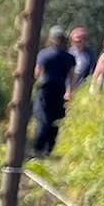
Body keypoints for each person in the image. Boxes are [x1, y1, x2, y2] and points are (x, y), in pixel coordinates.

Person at [32, 26, 76, 157]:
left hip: (45, 89)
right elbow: (71, 76)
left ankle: (38, 148)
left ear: (51, 38)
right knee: (56, 119)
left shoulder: (44, 54)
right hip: (60, 90)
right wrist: (69, 90)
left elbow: (37, 73)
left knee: (42, 117)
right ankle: (49, 149)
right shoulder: (69, 57)